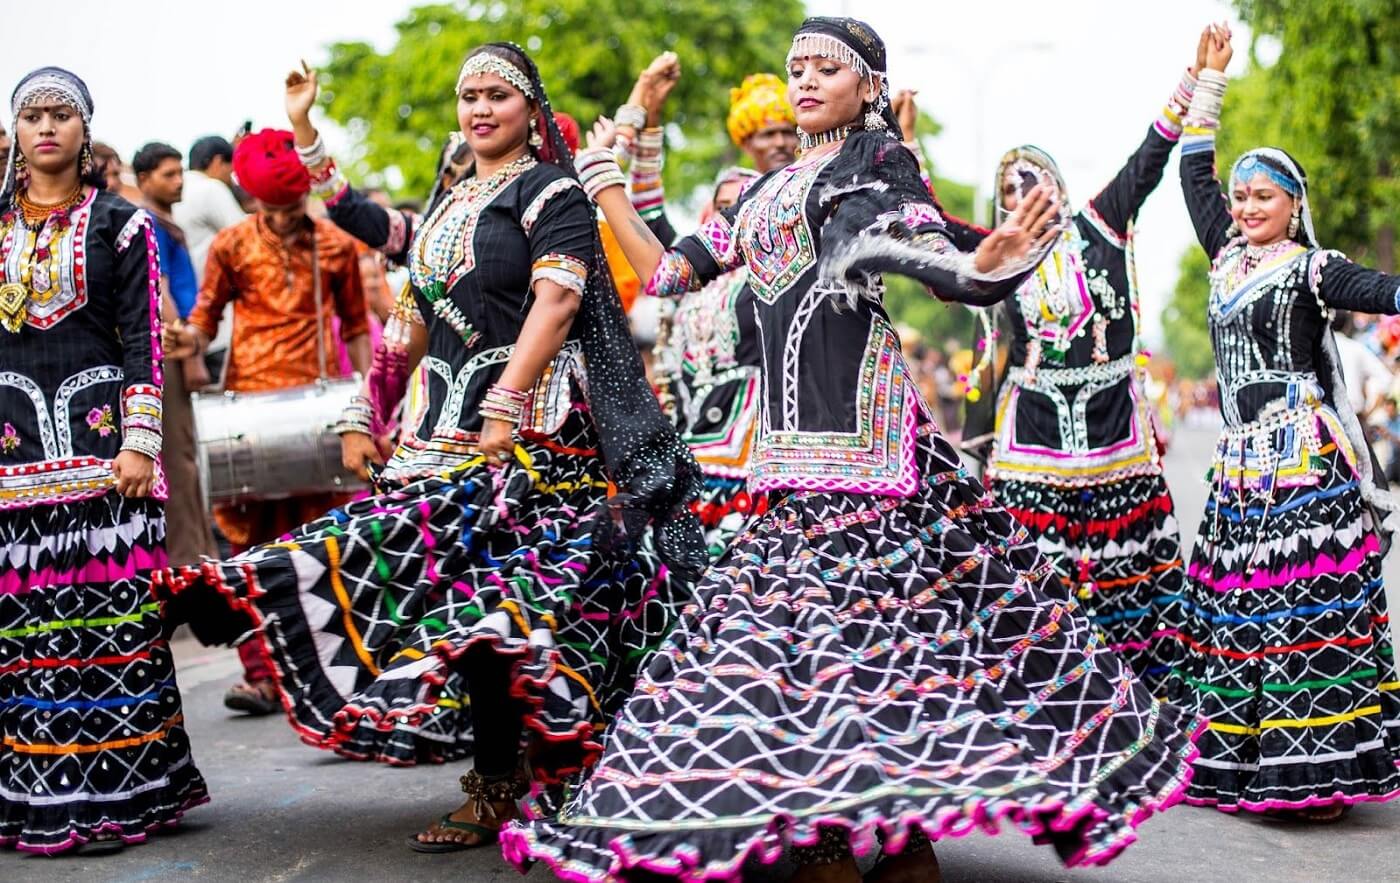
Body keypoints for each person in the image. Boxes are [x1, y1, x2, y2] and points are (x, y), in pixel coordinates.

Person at [507, 17, 1203, 882]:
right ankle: (840, 836)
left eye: (825, 68)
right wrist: (606, 184)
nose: (803, 81)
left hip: (871, 457)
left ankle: (894, 839)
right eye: (795, 67)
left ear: (869, 84)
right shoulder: (760, 195)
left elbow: (909, 248)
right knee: (797, 657)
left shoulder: (874, 164)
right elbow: (665, 274)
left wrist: (984, 265)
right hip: (784, 458)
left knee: (882, 650)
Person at [155, 42, 704, 856]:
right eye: (468, 95)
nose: (480, 108)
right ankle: (501, 777)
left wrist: (506, 405)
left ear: (528, 108)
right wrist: (366, 410)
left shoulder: (549, 190)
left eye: (497, 95)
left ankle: (530, 778)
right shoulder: (450, 204)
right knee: (440, 603)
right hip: (436, 439)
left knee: (506, 618)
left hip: (534, 442)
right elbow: (404, 315)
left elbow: (556, 302)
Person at [1171, 25, 1400, 822]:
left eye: (1263, 195)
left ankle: (1320, 773)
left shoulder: (1313, 267)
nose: (1245, 207)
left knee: (1305, 615)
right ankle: (1245, 767)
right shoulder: (1224, 254)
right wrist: (1210, 82)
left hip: (1304, 463)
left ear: (1294, 204)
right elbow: (1191, 173)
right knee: (1240, 613)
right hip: (1240, 469)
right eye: (1241, 197)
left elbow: (1379, 287)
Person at [945, 34, 1213, 694]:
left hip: (1112, 427)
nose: (1019, 191)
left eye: (1029, 177)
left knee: (1124, 566)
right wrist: (897, 136)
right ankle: (1047, 683)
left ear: (1057, 183)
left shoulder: (1102, 221)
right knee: (1036, 566)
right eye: (1008, 185)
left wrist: (1200, 82)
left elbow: (1150, 155)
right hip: (1033, 433)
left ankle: (1132, 687)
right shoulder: (999, 252)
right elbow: (934, 228)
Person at [0, 66, 208, 855]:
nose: (46, 126)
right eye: (31, 115)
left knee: (109, 633)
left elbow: (142, 339)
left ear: (86, 131)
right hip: (14, 464)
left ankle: (124, 795)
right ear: (16, 133)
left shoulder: (122, 225)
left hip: (105, 465)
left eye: (61, 114)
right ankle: (37, 797)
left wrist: (139, 441)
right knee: (27, 641)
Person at [167, 129, 371, 715]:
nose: (281, 220)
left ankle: (333, 677)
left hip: (321, 413)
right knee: (249, 549)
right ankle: (261, 675)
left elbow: (357, 328)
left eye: (290, 207)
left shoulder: (334, 244)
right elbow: (204, 319)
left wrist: (366, 406)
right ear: (252, 200)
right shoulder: (230, 244)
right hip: (248, 415)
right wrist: (186, 339)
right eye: (270, 209)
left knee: (325, 548)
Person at [607, 53, 782, 554]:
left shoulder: (776, 271)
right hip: (690, 446)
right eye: (724, 207)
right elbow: (648, 213)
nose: (734, 216)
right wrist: (650, 121)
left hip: (755, 453)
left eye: (742, 206)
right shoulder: (689, 272)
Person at [132, 141, 217, 567]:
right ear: (143, 180)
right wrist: (190, 354)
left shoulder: (166, 222)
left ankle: (198, 556)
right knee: (178, 459)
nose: (178, 180)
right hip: (172, 349)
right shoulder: (148, 222)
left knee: (187, 457)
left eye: (180, 171)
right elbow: (160, 289)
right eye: (168, 174)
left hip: (181, 344)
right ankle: (188, 563)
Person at [173, 135, 245, 285]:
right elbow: (245, 236)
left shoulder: (176, 188)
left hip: (183, 288)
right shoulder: (211, 187)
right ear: (218, 161)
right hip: (211, 291)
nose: (230, 179)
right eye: (230, 170)